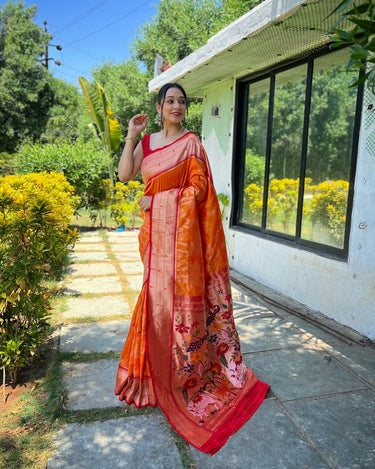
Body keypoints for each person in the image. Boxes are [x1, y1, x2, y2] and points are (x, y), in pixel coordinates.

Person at [115, 82, 269, 455]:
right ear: (159, 106)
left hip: (183, 243)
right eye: (170, 100)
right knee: (156, 302)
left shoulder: (192, 144)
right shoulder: (148, 142)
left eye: (182, 101)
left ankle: (185, 374)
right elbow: (125, 175)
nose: (177, 106)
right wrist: (132, 135)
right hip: (156, 241)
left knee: (179, 307)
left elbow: (198, 192)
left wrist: (158, 200)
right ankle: (151, 377)